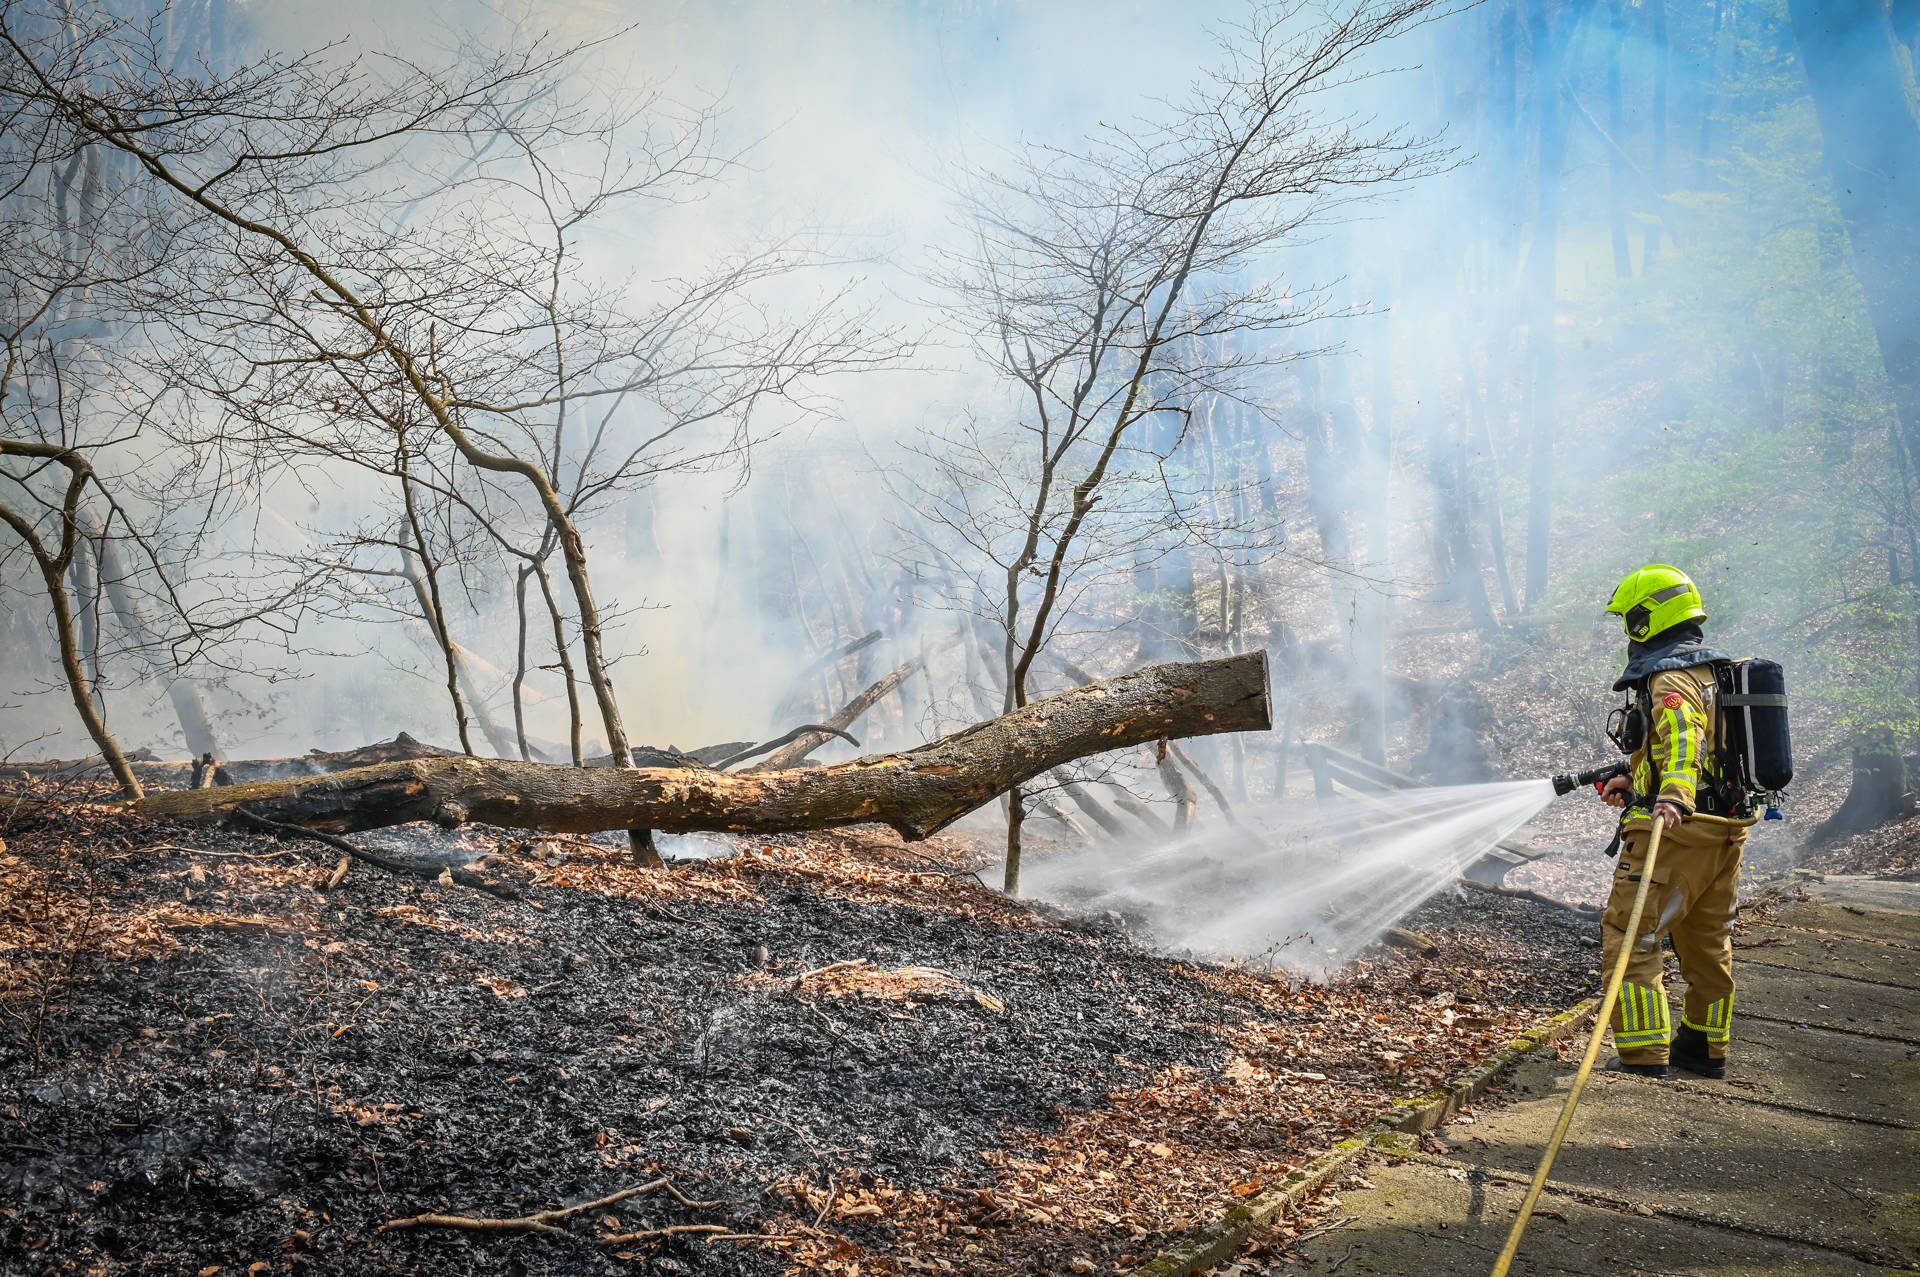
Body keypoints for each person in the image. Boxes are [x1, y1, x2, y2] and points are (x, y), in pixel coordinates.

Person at [1595, 565, 1748, 1080]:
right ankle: (1705, 1048)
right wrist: (1632, 776)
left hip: (1676, 834)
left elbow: (1683, 736)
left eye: (1628, 620)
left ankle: (1643, 1054)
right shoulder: (1714, 673)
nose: (1625, 632)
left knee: (1630, 936)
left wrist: (1673, 796)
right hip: (1722, 831)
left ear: (1647, 619)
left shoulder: (1670, 676)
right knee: (1709, 941)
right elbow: (1708, 748)